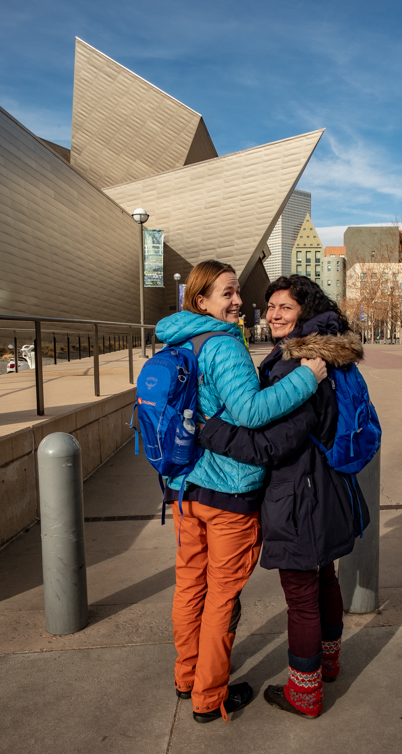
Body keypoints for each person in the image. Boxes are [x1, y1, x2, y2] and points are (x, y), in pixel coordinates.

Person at [155, 261, 327, 724]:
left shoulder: (180, 338)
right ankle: (209, 698)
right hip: (227, 491)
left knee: (190, 586)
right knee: (220, 598)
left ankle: (185, 676)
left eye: (236, 293)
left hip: (184, 486)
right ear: (202, 301)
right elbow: (250, 412)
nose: (237, 301)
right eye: (228, 293)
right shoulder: (222, 344)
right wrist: (307, 376)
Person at [199, 274, 369, 718]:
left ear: (305, 313)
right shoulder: (321, 351)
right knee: (324, 578)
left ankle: (305, 693)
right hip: (327, 487)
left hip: (300, 495)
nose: (273, 314)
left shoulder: (300, 364)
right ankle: (328, 663)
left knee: (300, 596)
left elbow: (271, 445)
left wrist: (211, 430)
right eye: (271, 306)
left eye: (285, 308)